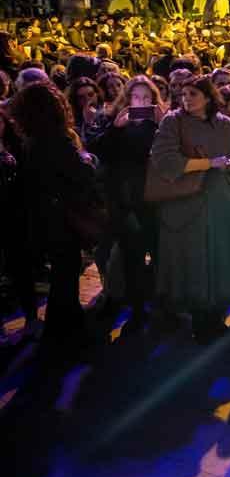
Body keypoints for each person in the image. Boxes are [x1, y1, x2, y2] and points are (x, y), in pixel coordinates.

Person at [149, 74, 230, 344]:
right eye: (183, 94)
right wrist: (207, 164)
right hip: (185, 203)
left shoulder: (224, 123)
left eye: (193, 94)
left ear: (208, 96)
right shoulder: (173, 121)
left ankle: (215, 316)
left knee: (219, 257)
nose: (187, 99)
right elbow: (164, 160)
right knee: (192, 261)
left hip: (218, 201)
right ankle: (199, 322)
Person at [8, 81, 101, 352]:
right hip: (62, 219)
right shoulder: (59, 140)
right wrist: (87, 160)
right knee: (66, 277)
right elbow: (80, 175)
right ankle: (64, 335)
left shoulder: (28, 141)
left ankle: (63, 332)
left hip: (39, 217)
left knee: (62, 276)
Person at [86, 75, 165, 332]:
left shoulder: (160, 126)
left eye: (146, 98)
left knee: (158, 254)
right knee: (131, 257)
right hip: (126, 202)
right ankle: (137, 310)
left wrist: (163, 124)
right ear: (127, 99)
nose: (140, 102)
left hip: (154, 200)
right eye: (136, 97)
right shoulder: (116, 123)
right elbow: (97, 150)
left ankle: (159, 306)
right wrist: (116, 129)